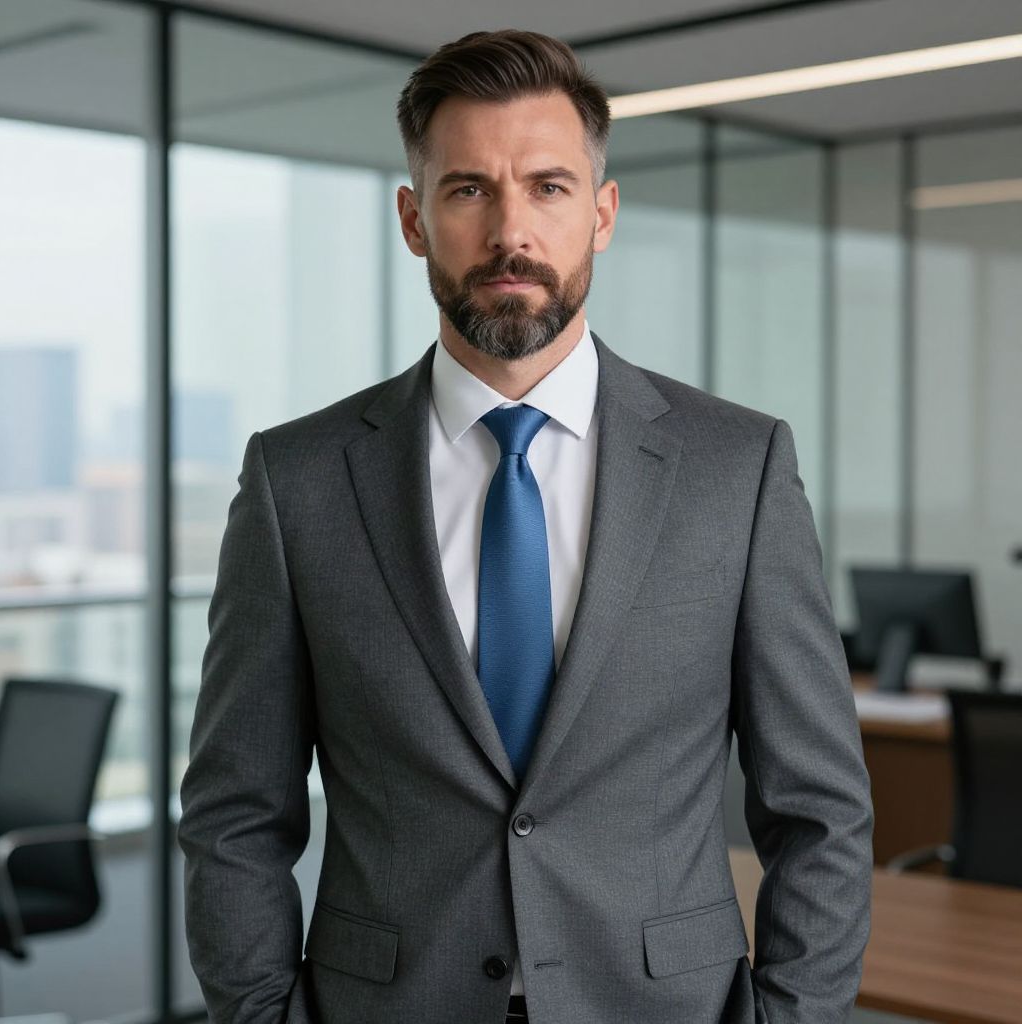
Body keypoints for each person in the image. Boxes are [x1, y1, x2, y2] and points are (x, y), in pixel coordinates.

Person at [179, 29, 873, 1024]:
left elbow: (819, 811)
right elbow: (234, 814)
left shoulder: (737, 469)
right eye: (468, 189)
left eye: (547, 187)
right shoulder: (298, 481)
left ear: (601, 214)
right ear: (415, 219)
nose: (512, 230)